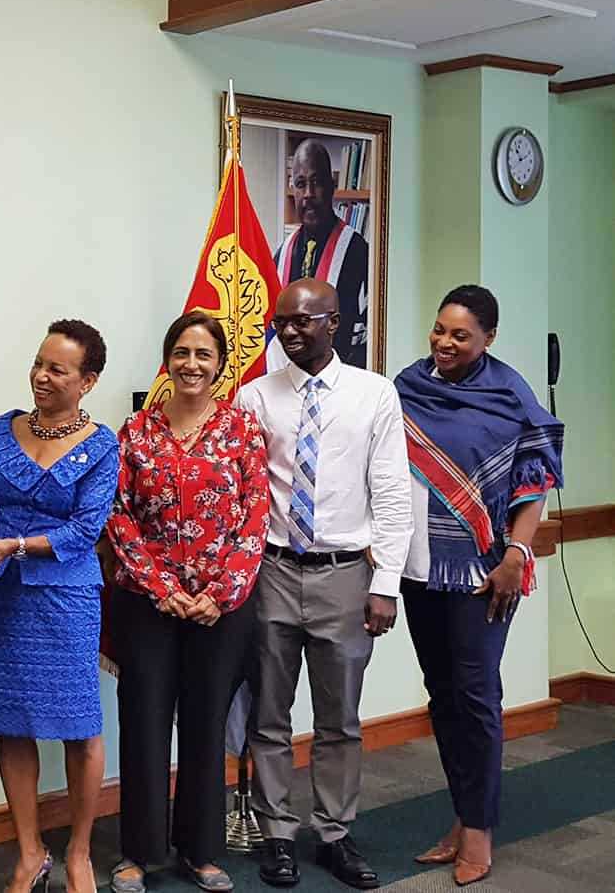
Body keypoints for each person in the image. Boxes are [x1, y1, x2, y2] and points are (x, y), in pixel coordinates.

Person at [235, 278, 412, 890]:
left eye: (303, 321)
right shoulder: (255, 397)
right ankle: (278, 834)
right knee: (269, 716)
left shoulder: (374, 395)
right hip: (273, 572)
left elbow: (391, 492)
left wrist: (385, 582)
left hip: (345, 575)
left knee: (340, 719)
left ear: (334, 323)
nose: (289, 331)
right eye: (281, 322)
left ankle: (335, 833)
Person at [395, 285, 563, 887]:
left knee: (476, 699)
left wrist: (516, 553)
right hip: (421, 568)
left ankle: (480, 833)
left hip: (486, 572)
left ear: (488, 338)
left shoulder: (508, 395)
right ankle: (463, 816)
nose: (443, 342)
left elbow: (533, 477)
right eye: (439, 329)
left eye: (460, 335)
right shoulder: (408, 386)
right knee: (441, 696)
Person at [106, 313, 270, 893]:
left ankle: (201, 851)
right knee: (144, 725)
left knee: (205, 726)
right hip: (149, 606)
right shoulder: (136, 433)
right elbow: (118, 517)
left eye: (203, 353)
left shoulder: (243, 430)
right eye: (181, 352)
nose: (191, 364)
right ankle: (139, 853)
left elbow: (254, 520)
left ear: (220, 363)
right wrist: (163, 588)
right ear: (167, 359)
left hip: (220, 611)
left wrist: (218, 595)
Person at [0, 319, 118, 893]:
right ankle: (29, 852)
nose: (41, 376)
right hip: (3, 595)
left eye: (58, 368)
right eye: (39, 362)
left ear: (88, 380)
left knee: (80, 727)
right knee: (13, 725)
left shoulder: (102, 445)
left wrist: (17, 544)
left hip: (66, 595)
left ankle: (79, 853)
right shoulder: (0, 432)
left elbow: (85, 528)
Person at [270, 139, 369, 369]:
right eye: (301, 183)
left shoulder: (358, 252)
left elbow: (365, 336)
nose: (308, 194)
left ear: (332, 186)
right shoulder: (282, 254)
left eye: (317, 182)